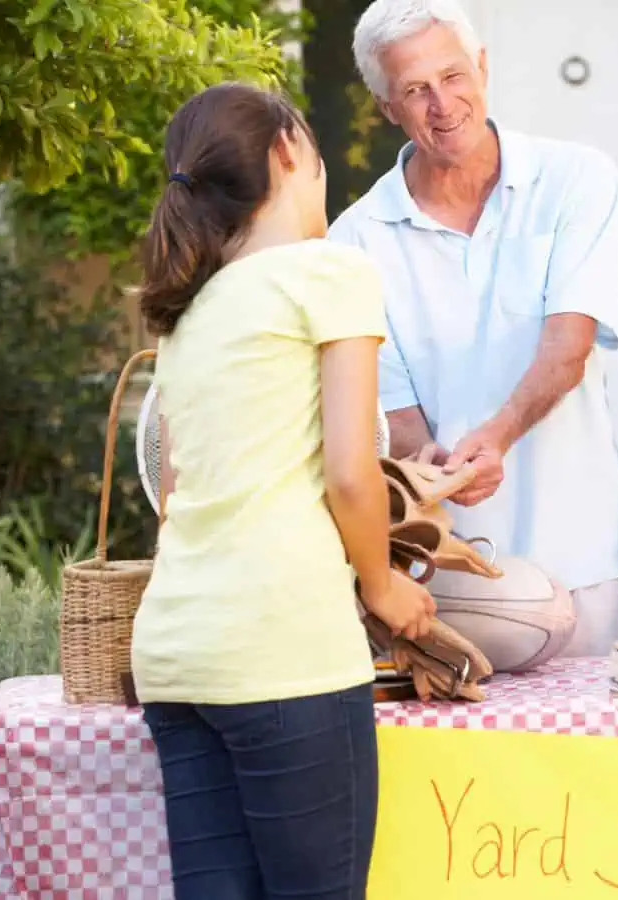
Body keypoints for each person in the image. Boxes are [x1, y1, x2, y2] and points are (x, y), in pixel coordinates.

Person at [132, 82, 436, 899]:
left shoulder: (186, 308)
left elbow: (173, 480)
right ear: (287, 152)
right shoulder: (328, 272)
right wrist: (381, 586)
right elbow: (349, 470)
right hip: (281, 646)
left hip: (175, 650)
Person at [328, 0, 618, 657]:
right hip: (448, 582)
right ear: (388, 108)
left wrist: (496, 436)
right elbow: (393, 410)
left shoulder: (577, 180)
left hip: (583, 563)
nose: (443, 104)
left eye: (453, 75)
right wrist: (427, 463)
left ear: (483, 68)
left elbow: (568, 348)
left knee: (600, 759)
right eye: (416, 90)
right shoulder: (353, 241)